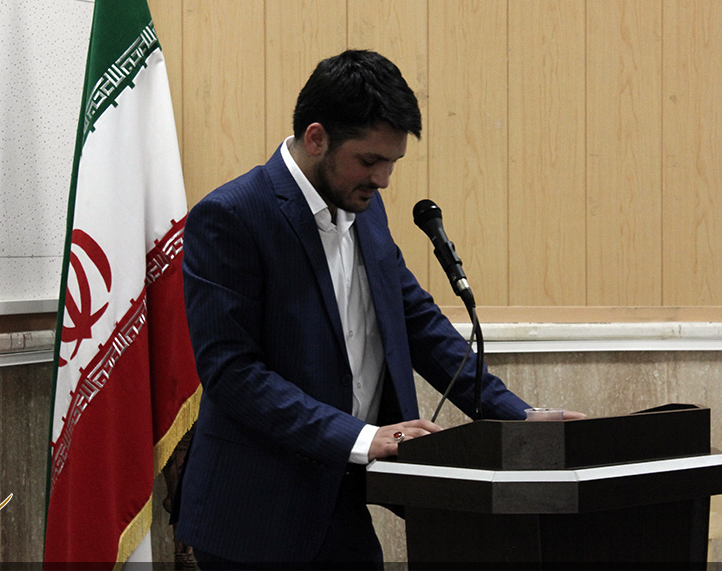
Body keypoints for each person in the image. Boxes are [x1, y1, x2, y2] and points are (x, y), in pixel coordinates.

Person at [176, 50, 573, 569]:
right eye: (369, 161)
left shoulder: (363, 203)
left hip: (345, 501)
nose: (384, 179)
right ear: (316, 138)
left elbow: (416, 322)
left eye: (392, 163)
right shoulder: (231, 216)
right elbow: (232, 373)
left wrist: (520, 419)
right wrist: (365, 438)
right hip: (256, 514)